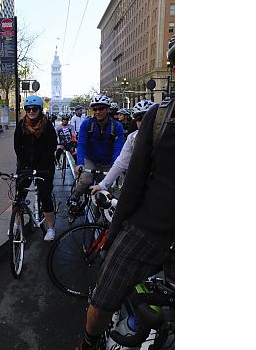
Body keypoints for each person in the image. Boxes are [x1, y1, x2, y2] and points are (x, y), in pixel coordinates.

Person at [77, 37, 174, 350]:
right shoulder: (158, 119)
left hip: (150, 223)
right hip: (148, 227)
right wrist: (93, 177)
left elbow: (122, 154)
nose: (102, 112)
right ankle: (88, 342)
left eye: (105, 109)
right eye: (98, 109)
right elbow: (123, 165)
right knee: (84, 181)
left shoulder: (122, 129)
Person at [67, 94, 125, 217]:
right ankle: (75, 197)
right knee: (86, 179)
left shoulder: (117, 127)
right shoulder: (87, 124)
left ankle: (99, 220)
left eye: (101, 109)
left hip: (108, 162)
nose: (97, 112)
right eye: (95, 109)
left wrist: (116, 167)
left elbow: (118, 149)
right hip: (91, 159)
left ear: (108, 109)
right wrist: (80, 163)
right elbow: (81, 144)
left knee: (106, 193)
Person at [13, 95, 58, 242]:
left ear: (39, 109)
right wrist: (24, 165)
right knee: (19, 195)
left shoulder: (47, 125)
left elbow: (51, 146)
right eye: (29, 109)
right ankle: (16, 224)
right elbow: (17, 147)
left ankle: (51, 228)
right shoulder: (21, 125)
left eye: (34, 109)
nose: (31, 111)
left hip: (44, 166)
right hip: (25, 164)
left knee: (45, 195)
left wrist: (42, 166)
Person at [88, 100, 153, 196]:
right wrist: (102, 185)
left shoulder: (167, 136)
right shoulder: (132, 138)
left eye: (147, 118)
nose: (142, 122)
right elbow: (120, 163)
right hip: (139, 183)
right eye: (139, 119)